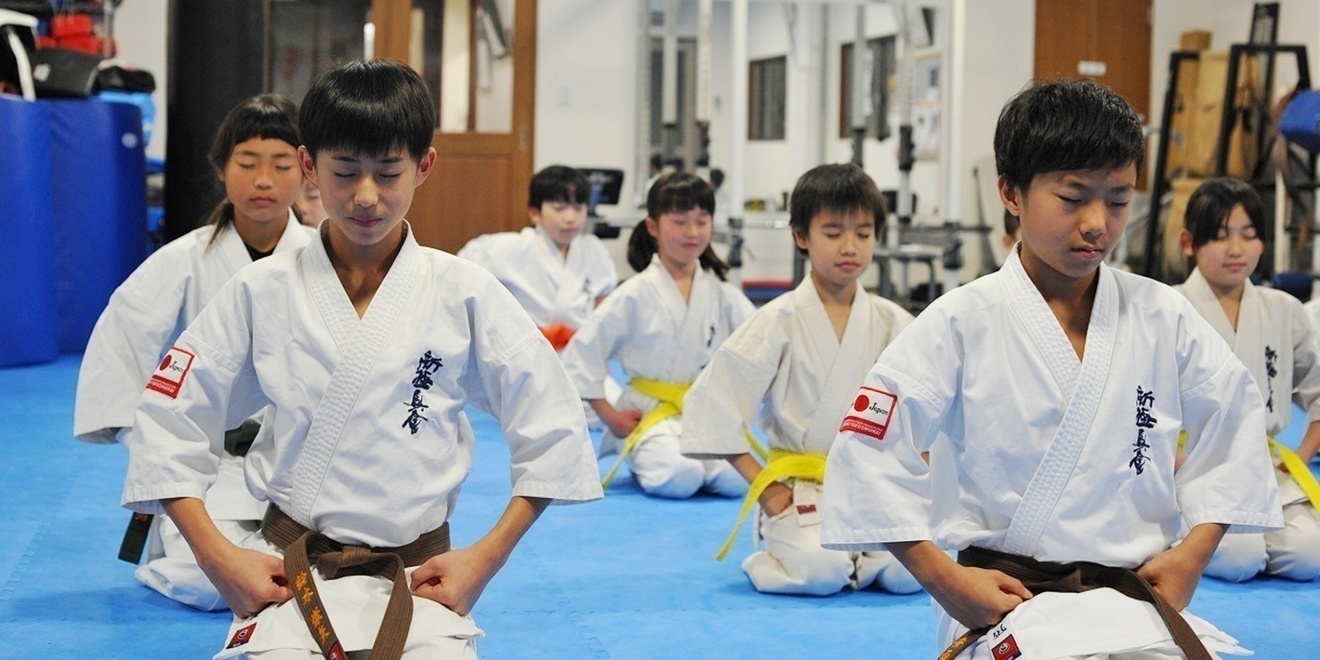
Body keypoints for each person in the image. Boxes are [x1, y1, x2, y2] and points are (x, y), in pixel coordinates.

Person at [120, 59, 602, 659]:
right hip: (289, 578)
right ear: (310, 166)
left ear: (424, 166)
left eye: (388, 172)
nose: (366, 196)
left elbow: (552, 425)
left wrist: (486, 558)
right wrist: (218, 558)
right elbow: (168, 418)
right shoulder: (261, 290)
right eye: (345, 172)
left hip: (421, 581)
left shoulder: (465, 292)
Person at [820, 79, 1283, 659]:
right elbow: (867, 449)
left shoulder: (1163, 315)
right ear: (1011, 192)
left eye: (1118, 199)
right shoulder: (961, 321)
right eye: (1072, 198)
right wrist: (942, 576)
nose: (1098, 223)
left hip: (1132, 603)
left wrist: (1195, 552)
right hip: (1009, 604)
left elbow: (1237, 420)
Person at [75, 93, 314, 611]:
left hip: (300, 461)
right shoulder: (181, 261)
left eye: (281, 164)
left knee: (336, 575)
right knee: (208, 582)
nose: (264, 181)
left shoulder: (327, 259)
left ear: (306, 169)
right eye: (247, 164)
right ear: (222, 170)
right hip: (210, 465)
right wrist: (160, 449)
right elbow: (122, 346)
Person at [681, 163, 920, 596]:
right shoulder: (778, 320)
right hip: (798, 487)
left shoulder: (893, 322)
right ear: (801, 236)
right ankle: (776, 556)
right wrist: (767, 489)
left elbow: (929, 409)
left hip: (870, 484)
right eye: (833, 233)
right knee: (821, 572)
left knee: (909, 576)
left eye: (863, 234)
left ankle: (858, 559)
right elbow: (713, 403)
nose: (850, 246)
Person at [561, 172, 754, 499]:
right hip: (649, 412)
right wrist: (611, 418)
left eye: (702, 221)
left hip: (705, 411)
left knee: (736, 481)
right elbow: (581, 355)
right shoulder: (634, 293)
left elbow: (759, 347)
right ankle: (641, 457)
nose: (692, 232)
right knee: (680, 476)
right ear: (653, 227)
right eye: (680, 222)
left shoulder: (722, 293)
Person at [1175, 176, 1320, 582]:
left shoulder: (1285, 310)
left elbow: (1318, 389)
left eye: (1249, 235)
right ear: (1190, 243)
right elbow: (1135, 405)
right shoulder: (1167, 309)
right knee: (1238, 559)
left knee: (1309, 556)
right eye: (1221, 236)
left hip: (1265, 464)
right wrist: (1177, 465)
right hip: (1193, 466)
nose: (1237, 249)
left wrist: (1303, 456)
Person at [457, 165, 618, 351]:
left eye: (578, 208)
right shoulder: (508, 248)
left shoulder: (592, 250)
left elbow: (604, 304)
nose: (570, 218)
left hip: (579, 353)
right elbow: (462, 276)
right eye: (559, 208)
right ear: (535, 213)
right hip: (524, 350)